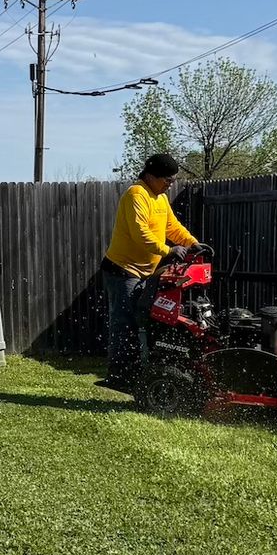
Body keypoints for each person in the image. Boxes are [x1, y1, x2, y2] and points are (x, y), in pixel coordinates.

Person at [99, 152, 197, 391]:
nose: (170, 184)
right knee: (125, 322)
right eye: (167, 180)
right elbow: (140, 233)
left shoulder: (160, 198)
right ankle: (119, 376)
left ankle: (138, 370)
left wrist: (193, 243)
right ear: (151, 175)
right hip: (123, 270)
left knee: (147, 321)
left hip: (146, 272)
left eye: (173, 181)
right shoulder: (136, 195)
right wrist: (167, 251)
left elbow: (172, 227)